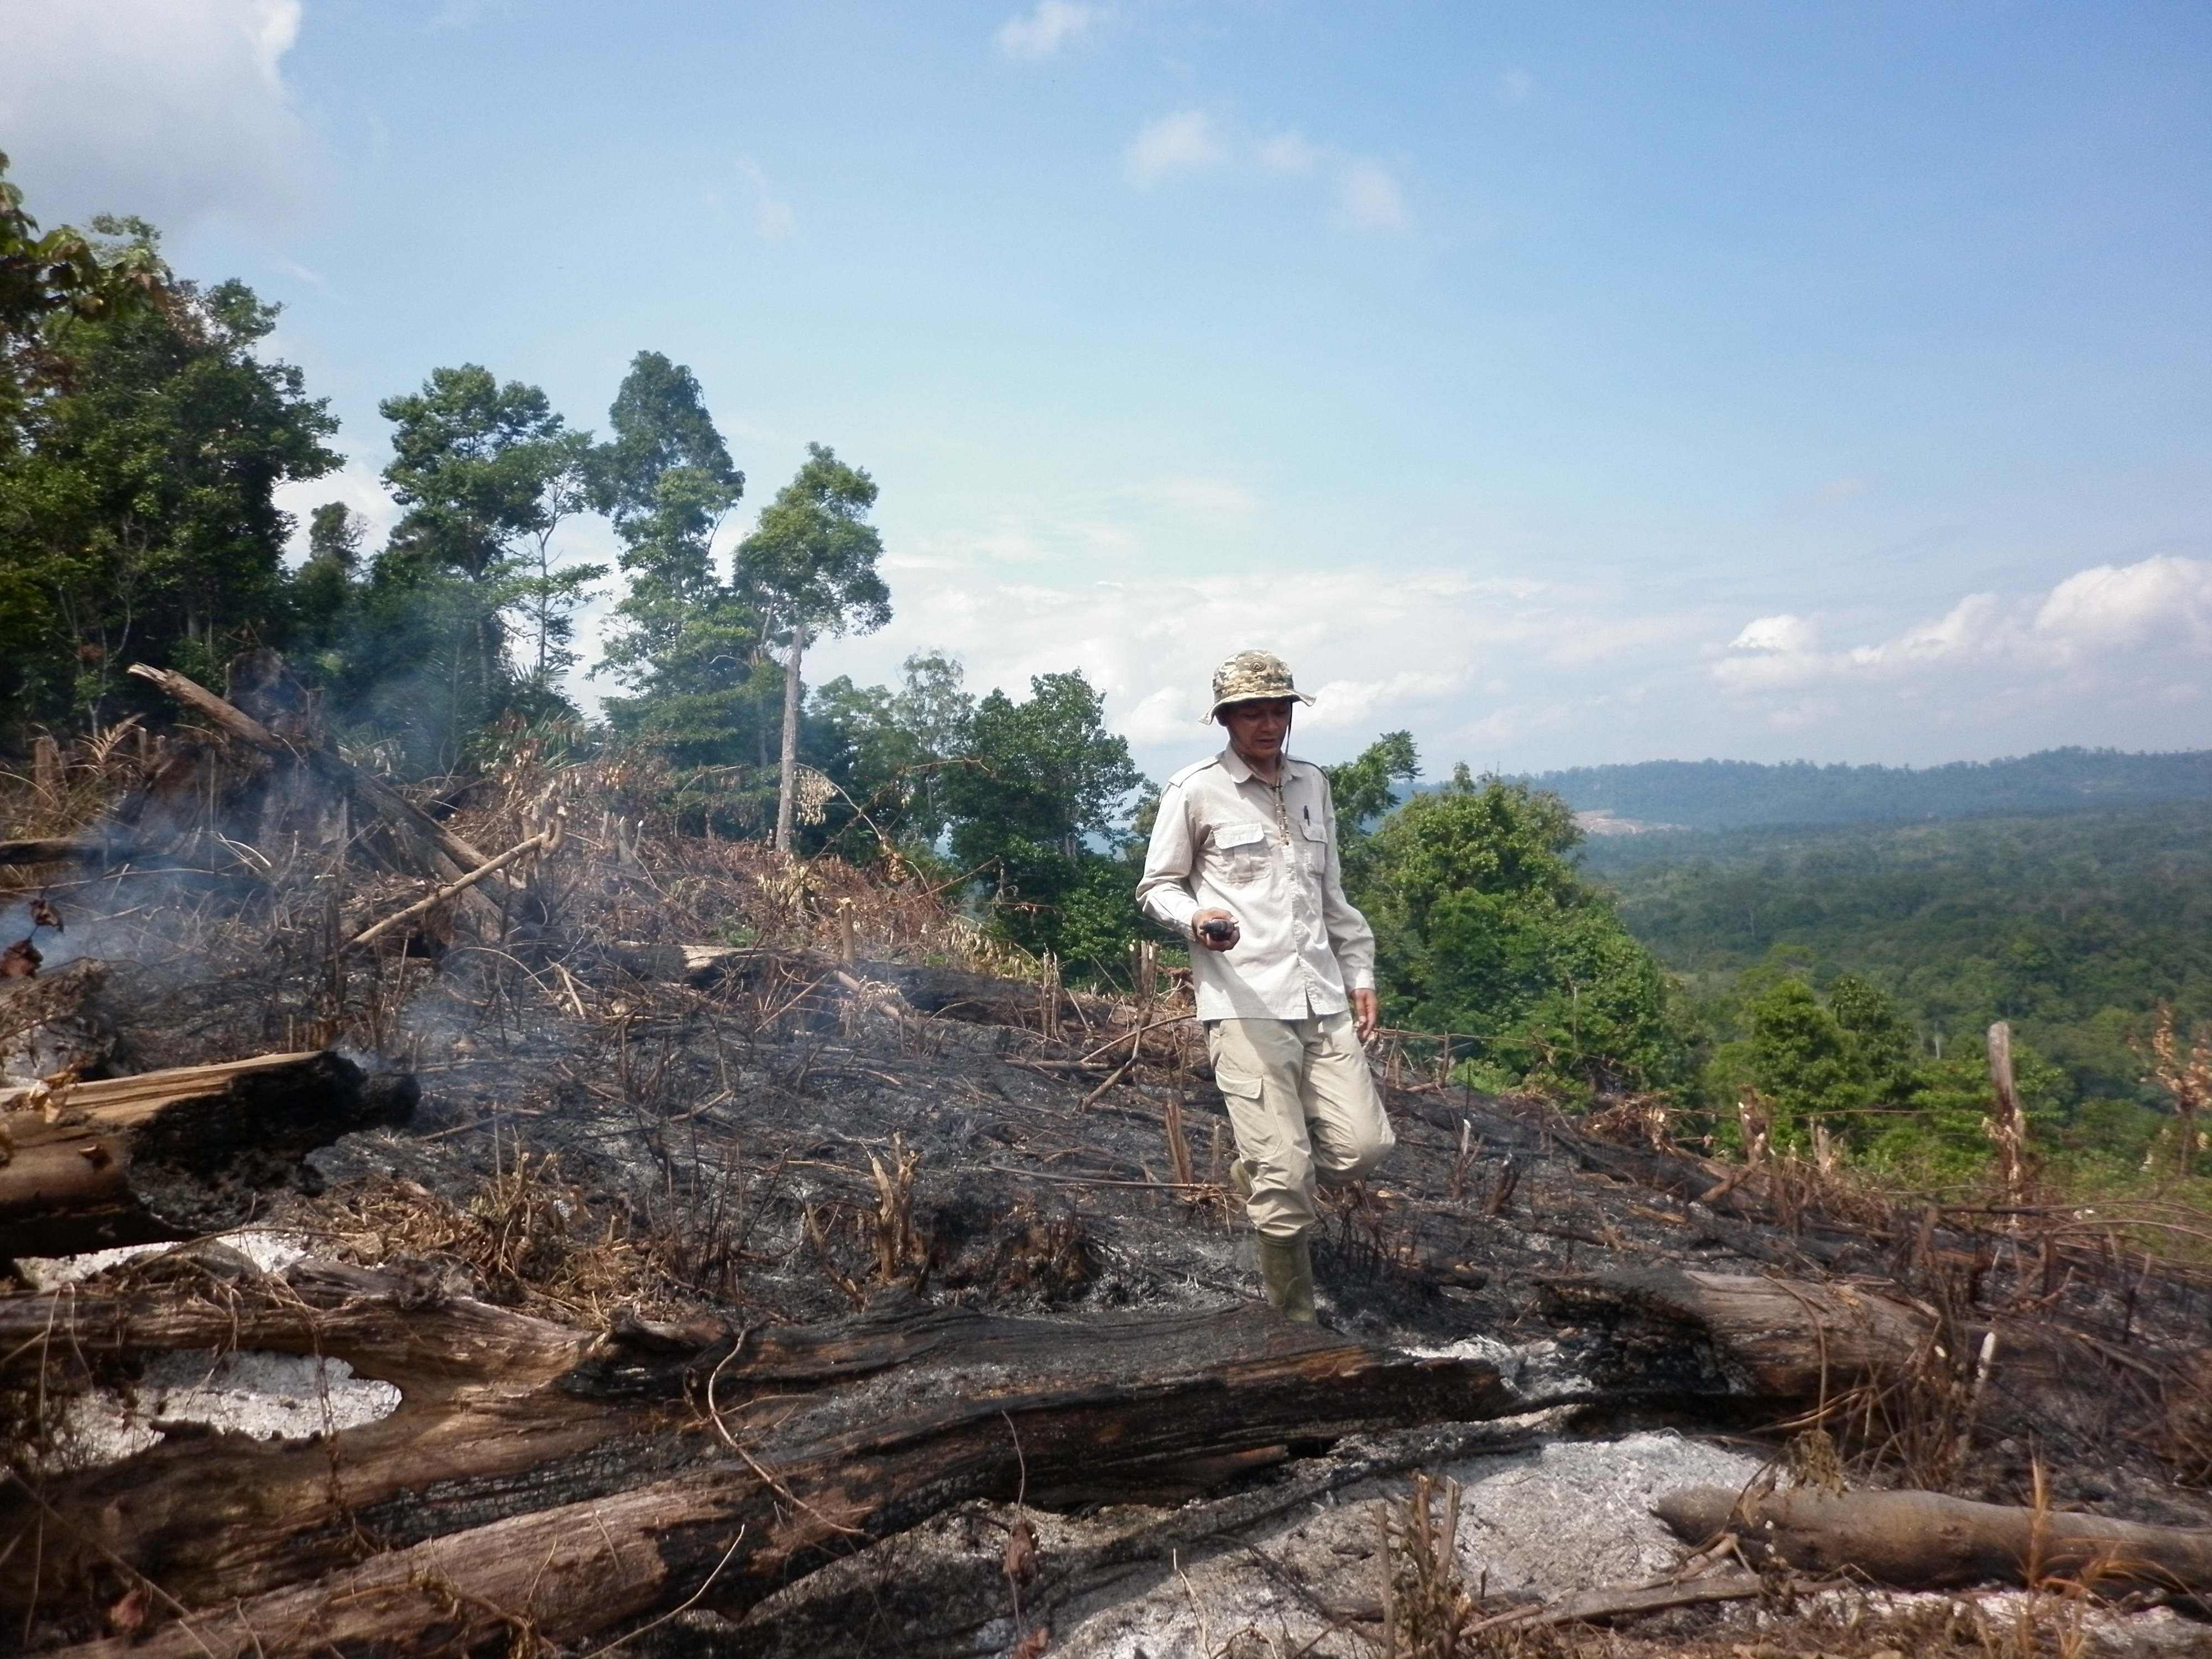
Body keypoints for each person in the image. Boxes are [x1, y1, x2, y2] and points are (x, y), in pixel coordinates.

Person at [1136, 650, 1396, 1322]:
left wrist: (1358, 968)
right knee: (1287, 1180)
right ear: (1225, 719)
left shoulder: (1313, 784)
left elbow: (1331, 891)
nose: (1268, 723)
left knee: (1364, 1148)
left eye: (1278, 708)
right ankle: (1294, 1324)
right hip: (1244, 1002)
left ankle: (1262, 1172)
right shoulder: (1193, 790)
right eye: (1252, 711)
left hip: (1321, 996)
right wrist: (1195, 917)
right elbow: (1158, 885)